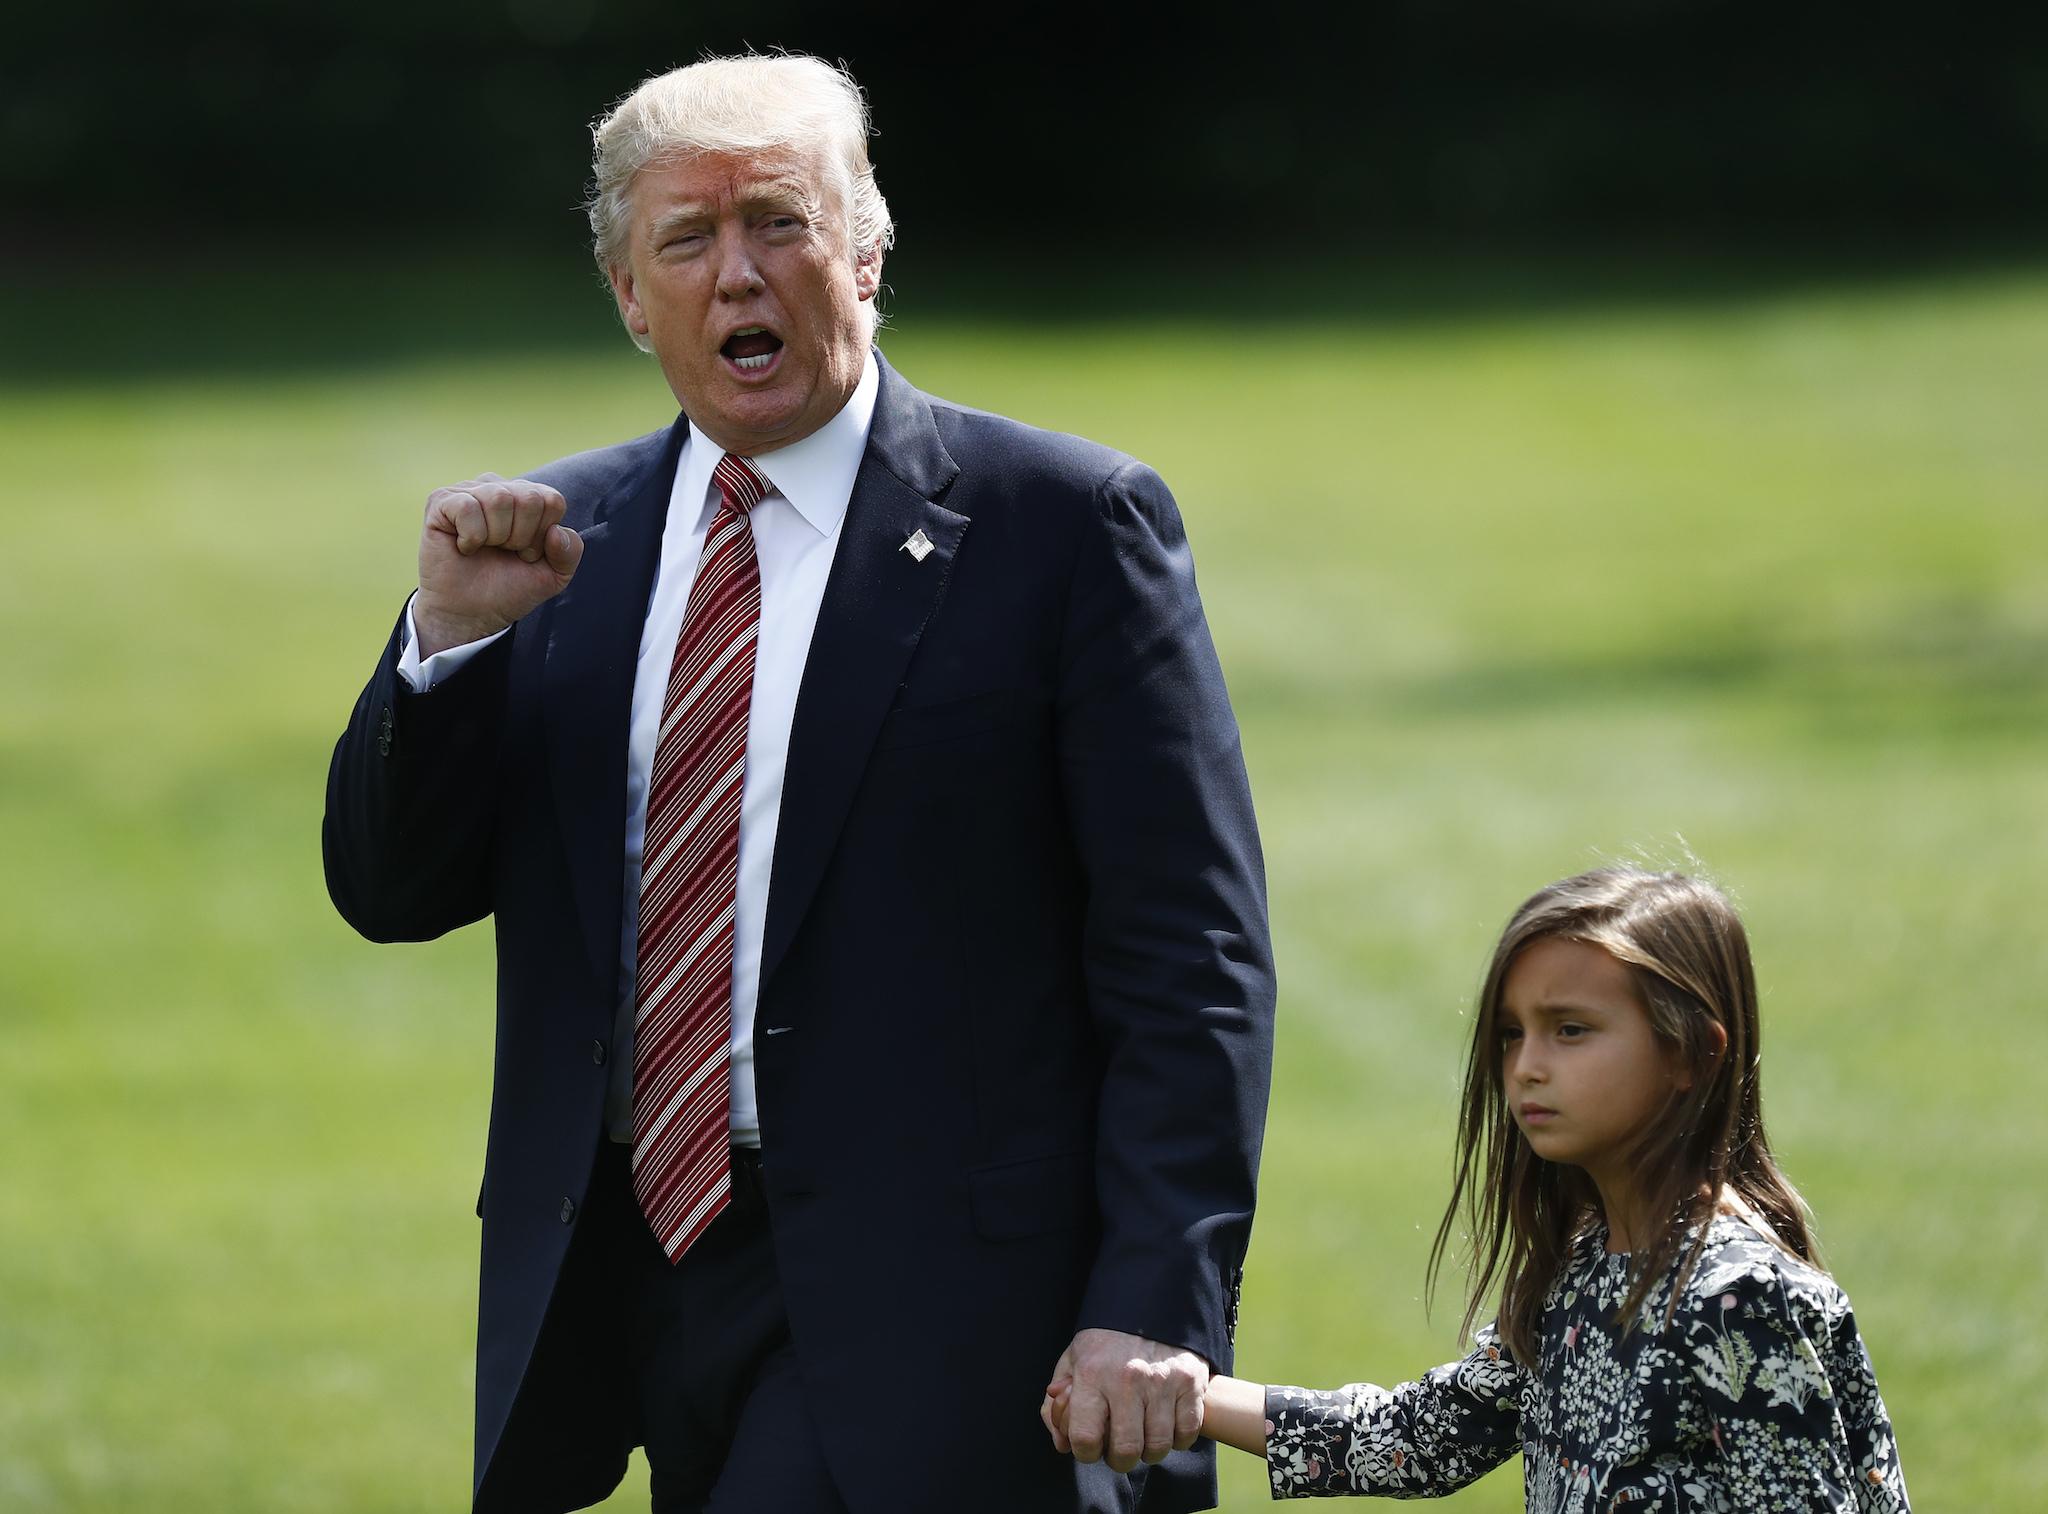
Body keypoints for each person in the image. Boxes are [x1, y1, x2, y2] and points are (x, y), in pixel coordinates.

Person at [322, 52, 1275, 1514]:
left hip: (938, 1295)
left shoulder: (1064, 526)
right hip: (625, 1266)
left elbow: (1188, 956)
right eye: (687, 242)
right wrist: (443, 647)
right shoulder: (555, 546)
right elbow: (393, 893)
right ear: (632, 298)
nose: (737, 275)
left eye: (779, 223)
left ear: (869, 254)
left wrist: (1154, 1298)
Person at [1046, 866, 1910, 1510]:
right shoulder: (1580, 1274)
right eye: (1510, 1035)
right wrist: (1182, 1388)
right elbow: (1414, 1442)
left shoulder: (1741, 1298)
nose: (1527, 1067)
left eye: (1571, 1031)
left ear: (1691, 1053)